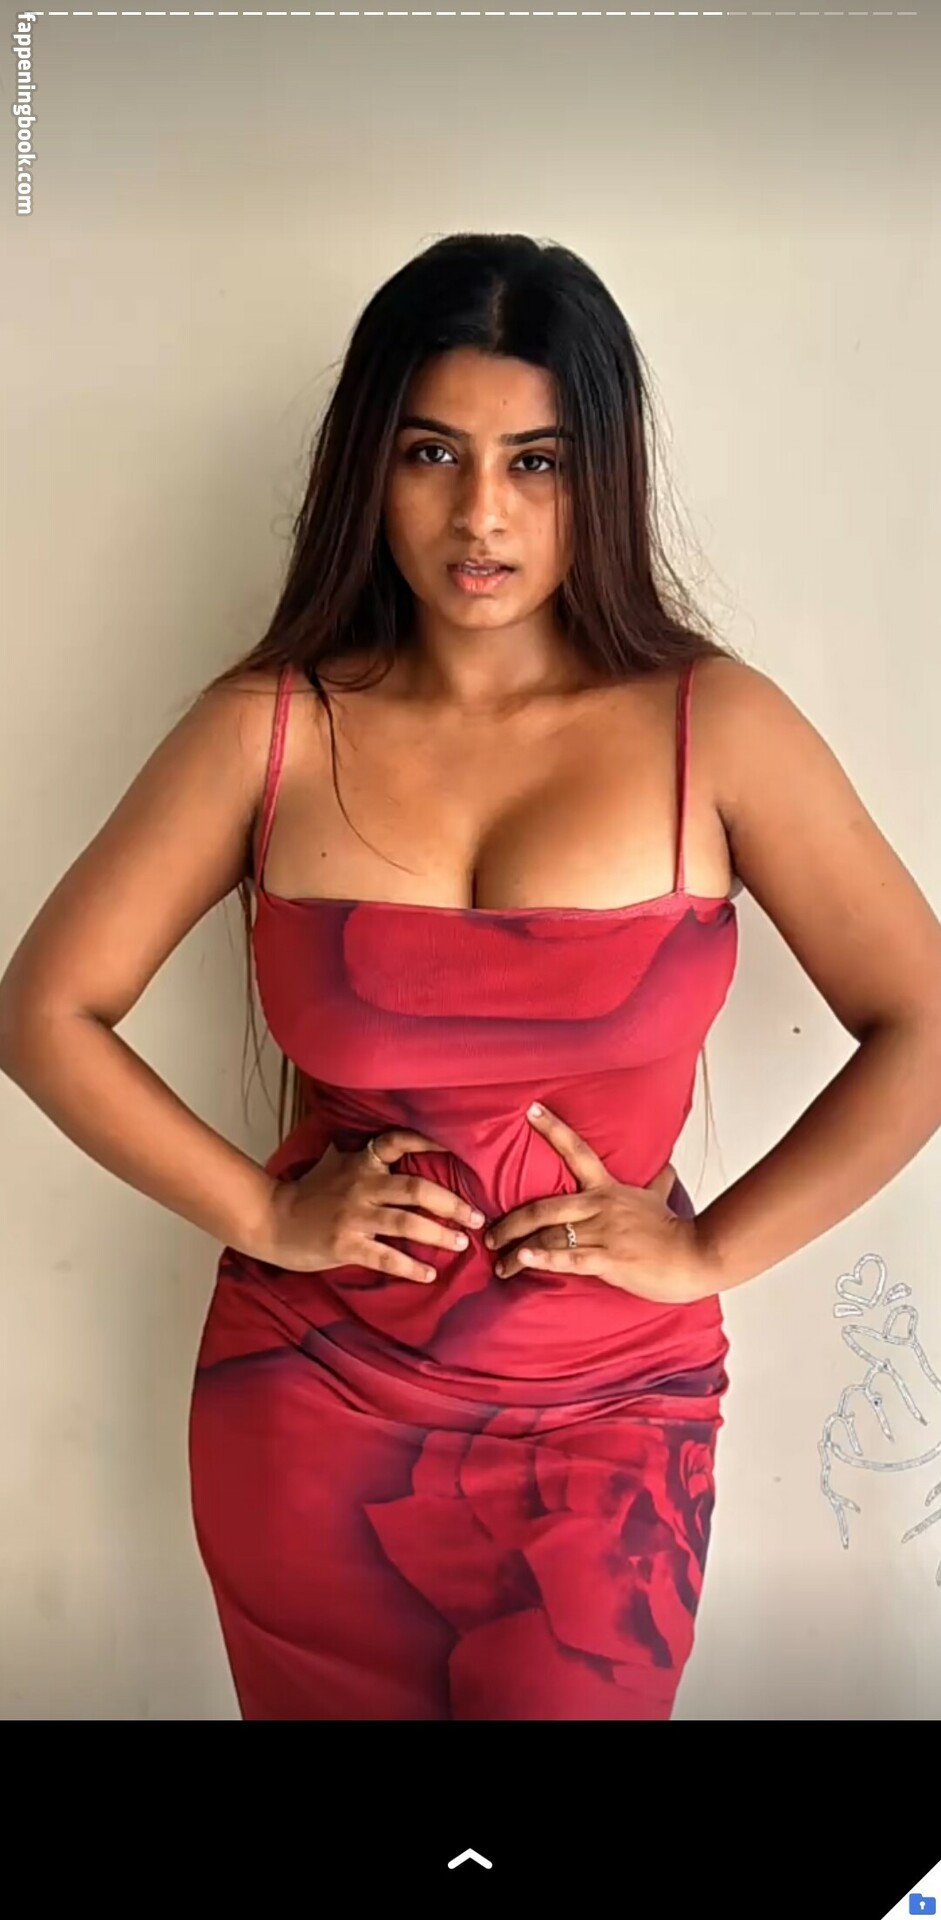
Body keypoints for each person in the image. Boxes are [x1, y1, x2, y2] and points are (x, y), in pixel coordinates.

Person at [3, 233, 941, 1723]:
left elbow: (922, 1023)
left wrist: (710, 1250)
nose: (481, 514)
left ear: (602, 478)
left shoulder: (715, 725)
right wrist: (264, 1213)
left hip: (611, 1414)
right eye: (432, 452)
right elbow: (44, 1011)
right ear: (370, 466)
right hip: (309, 1401)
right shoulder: (270, 728)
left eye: (537, 462)